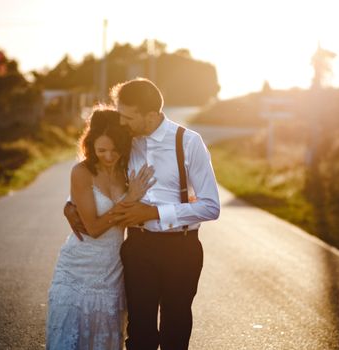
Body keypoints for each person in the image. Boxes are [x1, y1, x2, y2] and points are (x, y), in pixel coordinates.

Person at [65, 78, 220, 350]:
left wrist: (154, 212)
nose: (121, 122)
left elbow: (210, 206)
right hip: (137, 246)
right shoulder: (125, 140)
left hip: (182, 248)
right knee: (139, 331)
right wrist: (71, 202)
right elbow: (99, 169)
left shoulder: (188, 142)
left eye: (127, 116)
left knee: (176, 328)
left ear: (150, 115)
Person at [46, 107, 156, 350]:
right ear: (90, 145)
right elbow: (93, 228)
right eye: (101, 150)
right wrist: (129, 200)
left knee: (103, 340)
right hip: (77, 268)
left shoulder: (127, 171)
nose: (108, 156)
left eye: (115, 150)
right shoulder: (82, 171)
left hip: (111, 270)